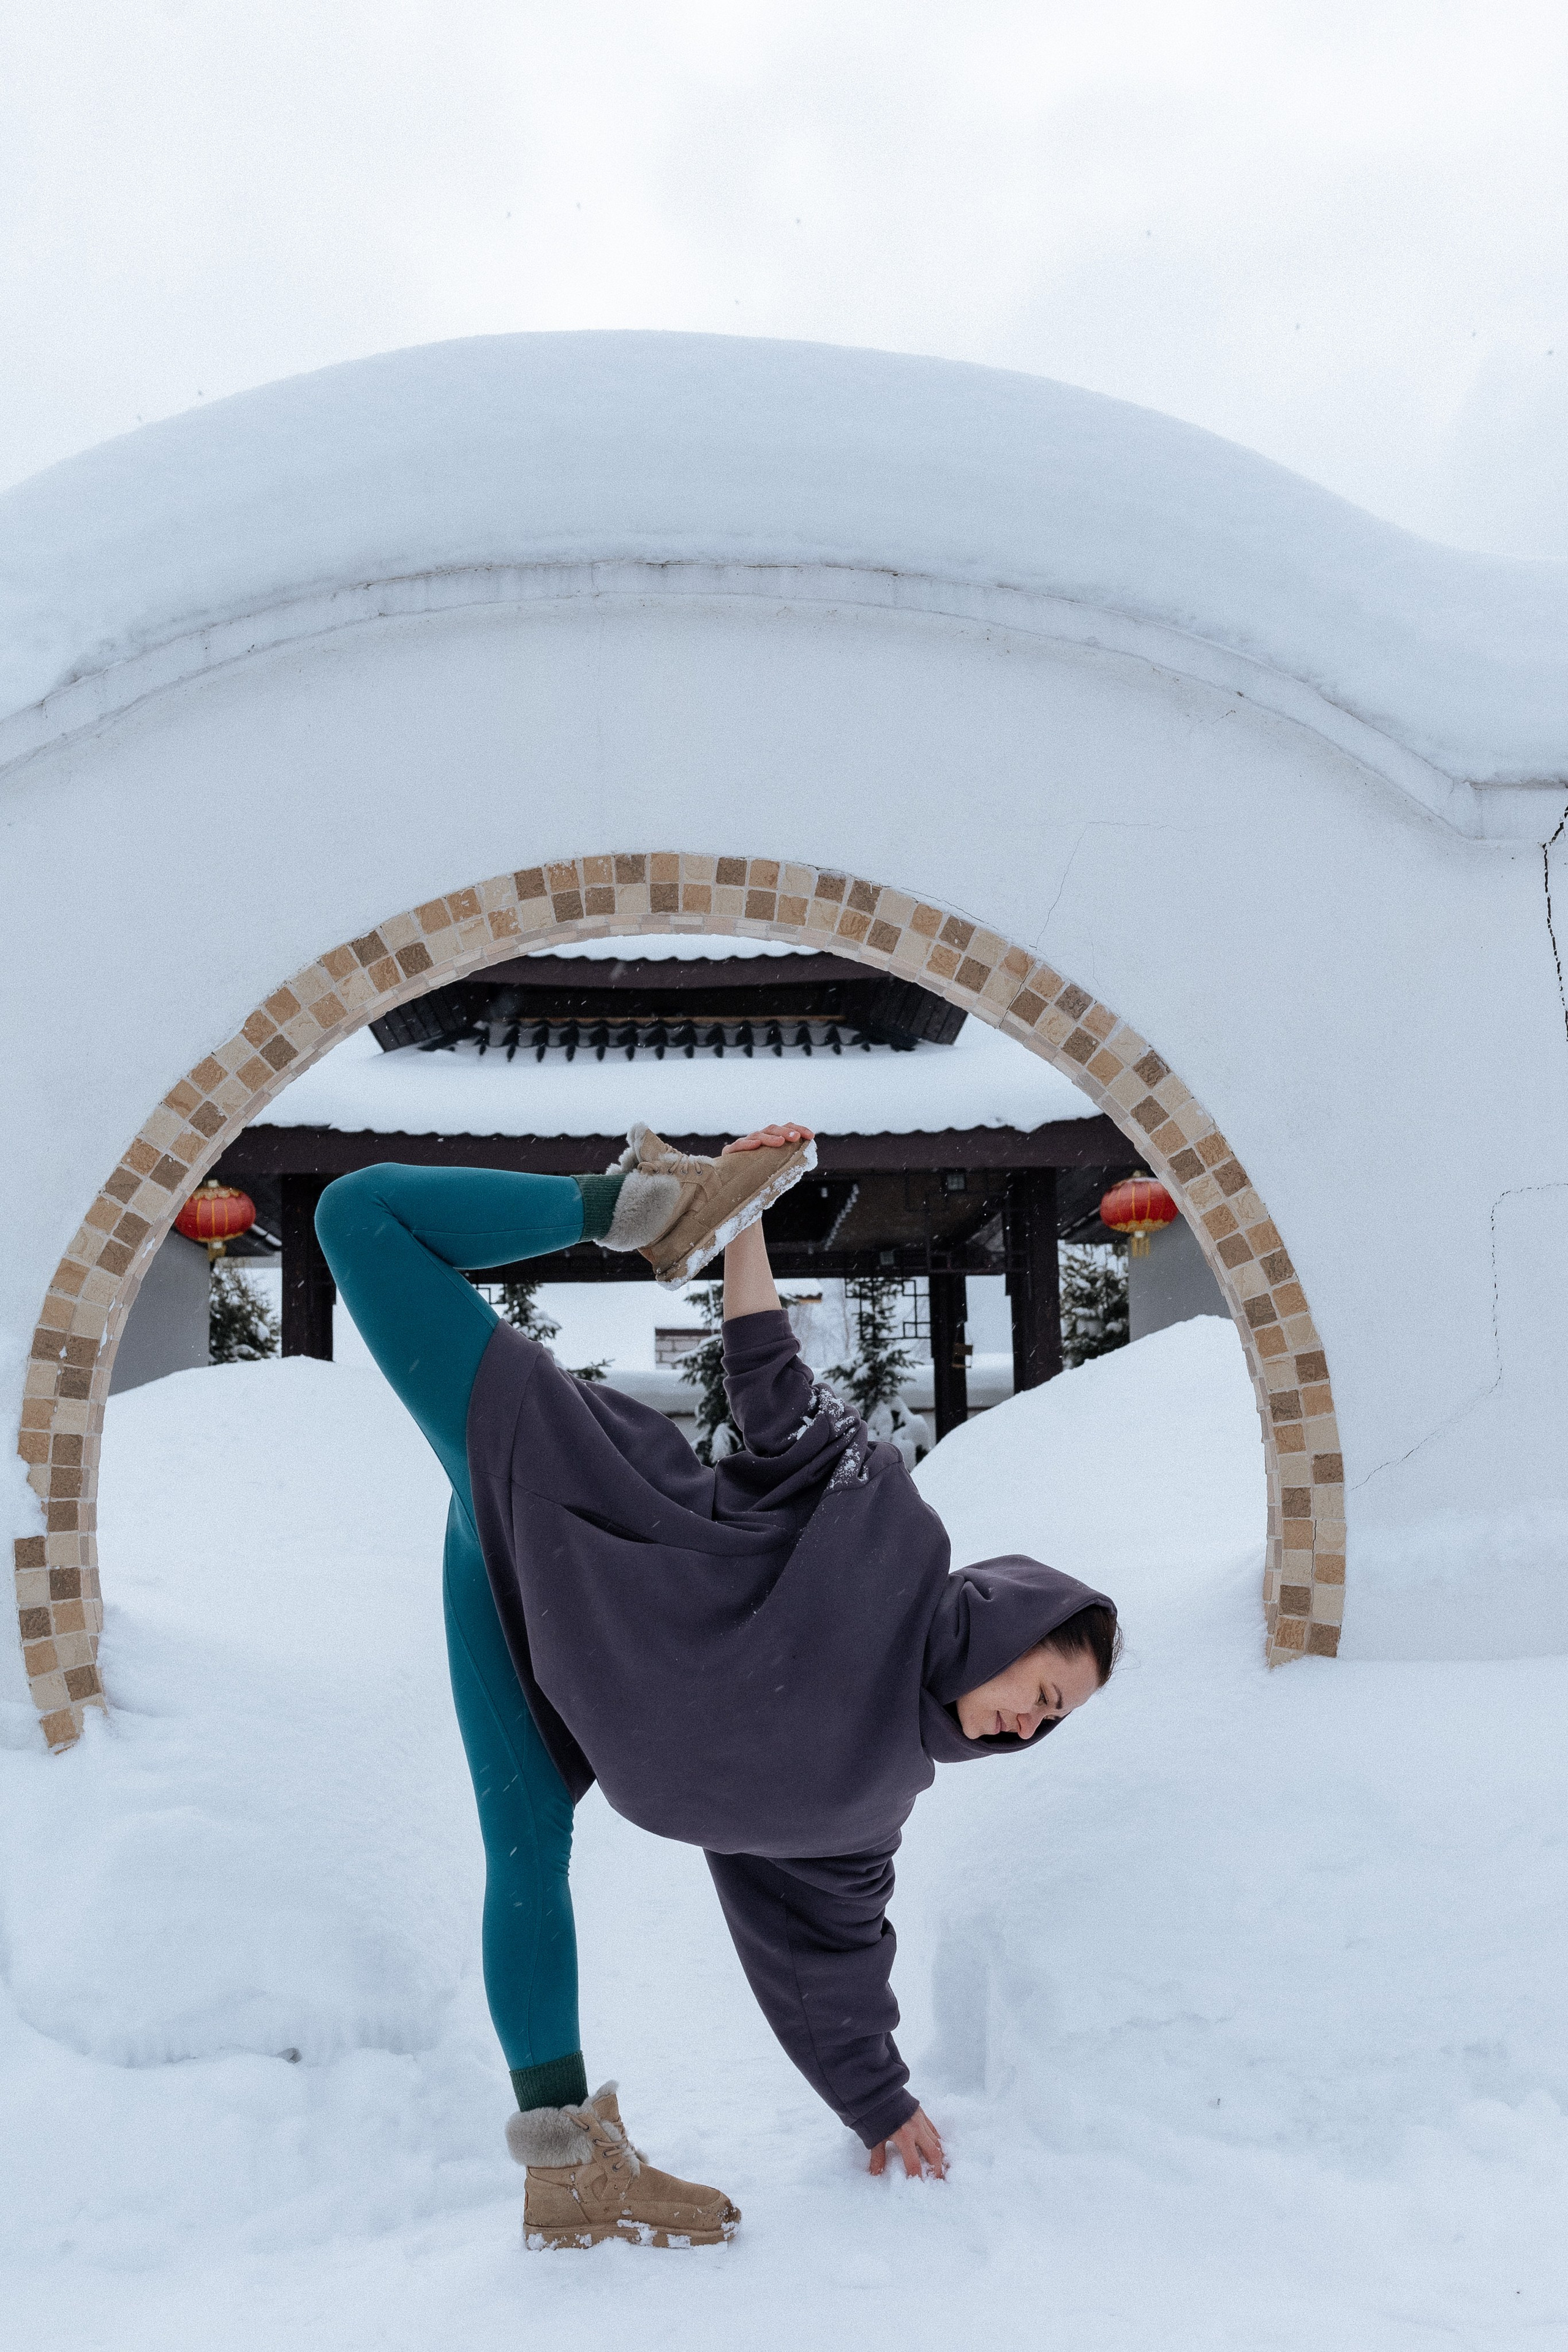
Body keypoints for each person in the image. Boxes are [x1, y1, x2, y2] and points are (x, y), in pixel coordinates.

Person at [315, 1120, 1119, 2251]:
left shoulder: (869, 1809)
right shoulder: (889, 1534)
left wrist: (881, 2102)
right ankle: (623, 1207)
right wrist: (735, 1219)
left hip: (552, 1665)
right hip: (583, 1510)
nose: (1034, 1724)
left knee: (523, 1853)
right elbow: (774, 1390)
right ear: (1015, 1620)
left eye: (1053, 1724)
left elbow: (828, 1970)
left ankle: (566, 2173)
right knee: (357, 1216)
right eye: (1046, 1687)